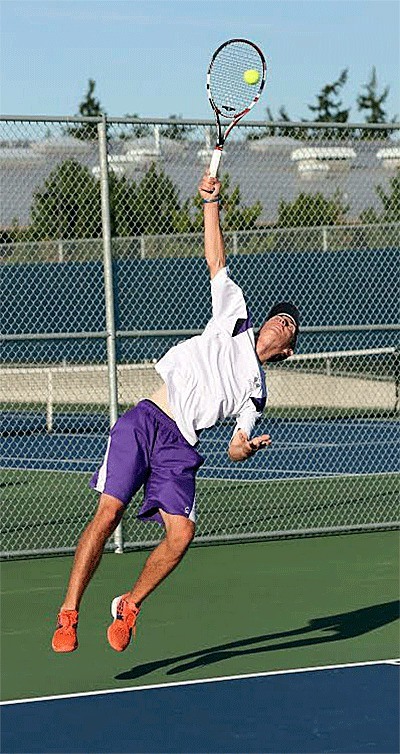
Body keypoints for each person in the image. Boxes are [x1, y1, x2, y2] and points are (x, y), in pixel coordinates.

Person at [52, 170, 300, 654]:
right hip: (148, 419)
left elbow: (231, 447)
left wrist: (244, 449)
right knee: (108, 514)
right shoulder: (236, 317)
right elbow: (217, 260)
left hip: (182, 447)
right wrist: (211, 204)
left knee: (182, 533)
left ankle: (130, 605)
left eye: (289, 325)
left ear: (288, 348)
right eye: (279, 316)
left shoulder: (257, 391)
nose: (279, 324)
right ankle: (68, 614)